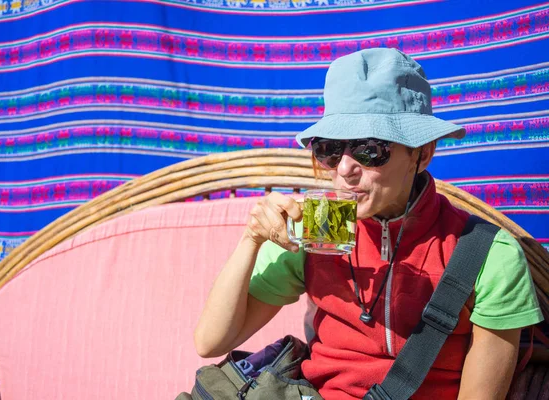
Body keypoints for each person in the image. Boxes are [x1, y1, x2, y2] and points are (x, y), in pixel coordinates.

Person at [193, 48, 544, 399]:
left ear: (422, 153)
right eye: (329, 148)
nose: (344, 168)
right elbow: (211, 341)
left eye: (369, 149)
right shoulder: (320, 225)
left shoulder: (485, 254)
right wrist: (251, 239)